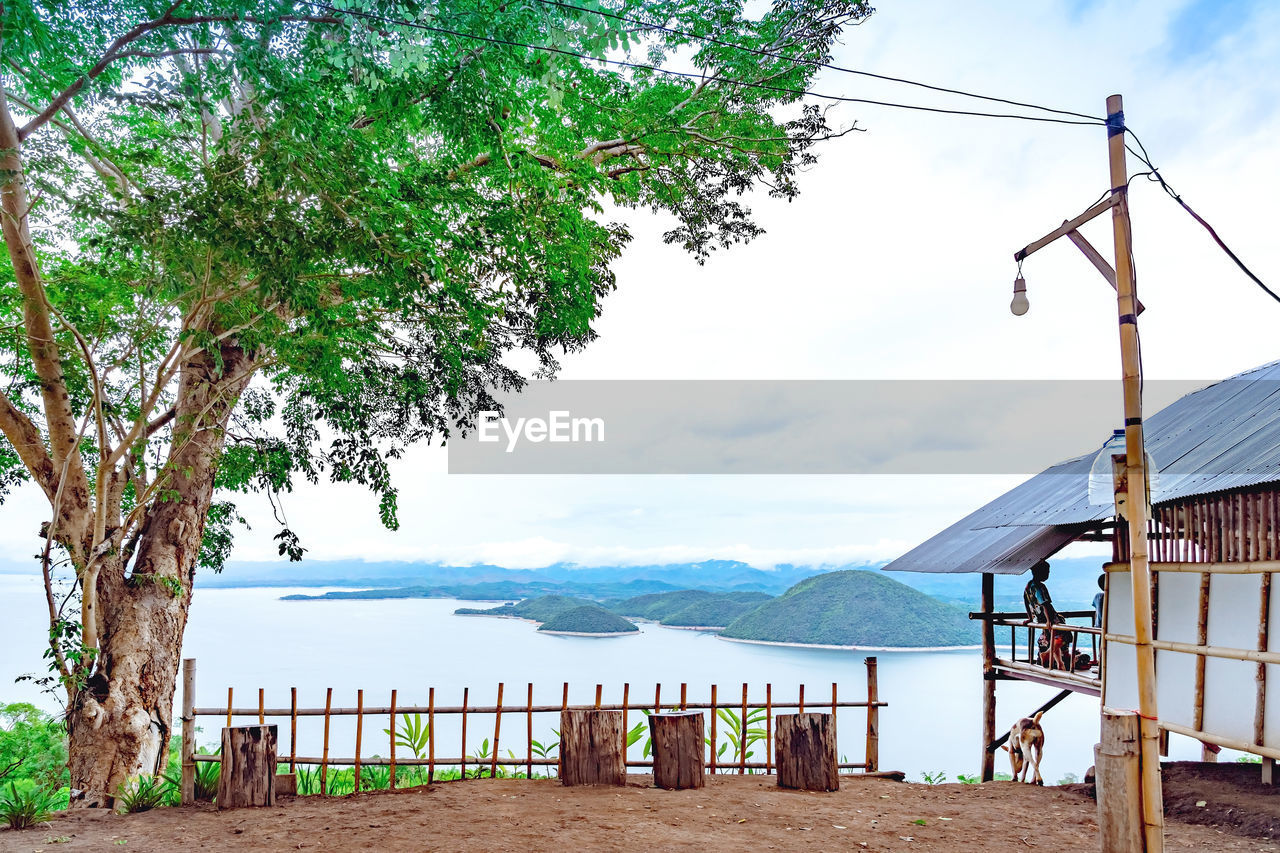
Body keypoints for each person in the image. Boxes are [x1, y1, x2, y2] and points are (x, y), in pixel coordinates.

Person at [1023, 561, 1090, 671]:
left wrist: (1030, 618)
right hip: (1050, 617)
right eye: (1047, 572)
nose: (1048, 574)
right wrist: (1049, 620)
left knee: (1053, 640)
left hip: (1040, 618)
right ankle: (1047, 655)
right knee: (1063, 637)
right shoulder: (1039, 587)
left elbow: (1026, 602)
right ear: (1040, 572)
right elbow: (1045, 604)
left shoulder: (1028, 586)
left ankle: (1060, 663)